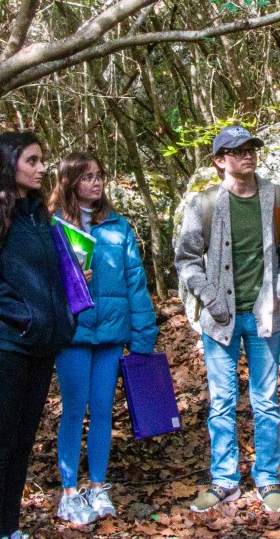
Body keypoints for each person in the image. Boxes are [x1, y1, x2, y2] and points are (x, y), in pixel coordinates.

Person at [175, 126, 280, 514]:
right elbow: (186, 259)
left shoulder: (277, 197)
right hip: (220, 320)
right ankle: (224, 480)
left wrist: (278, 287)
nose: (247, 155)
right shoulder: (204, 203)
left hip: (265, 317)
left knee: (265, 402)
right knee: (221, 402)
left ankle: (267, 478)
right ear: (219, 160)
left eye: (251, 148)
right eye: (237, 151)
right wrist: (209, 296)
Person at [0, 131, 77, 539]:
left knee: (24, 440)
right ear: (8, 163)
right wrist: (26, 317)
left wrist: (65, 303)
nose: (41, 168)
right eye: (32, 160)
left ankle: (10, 528)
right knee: (2, 441)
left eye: (41, 160)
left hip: (41, 346)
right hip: (6, 345)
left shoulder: (39, 216)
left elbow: (46, 277)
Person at [48, 152, 159, 524]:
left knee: (102, 412)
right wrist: (69, 281)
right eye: (86, 177)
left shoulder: (117, 225)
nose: (95, 183)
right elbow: (39, 282)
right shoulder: (52, 226)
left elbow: (135, 283)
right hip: (74, 334)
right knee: (73, 411)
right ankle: (69, 494)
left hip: (111, 332)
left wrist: (143, 336)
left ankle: (97, 488)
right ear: (69, 182)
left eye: (99, 175)